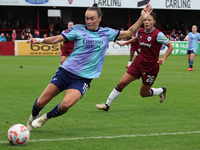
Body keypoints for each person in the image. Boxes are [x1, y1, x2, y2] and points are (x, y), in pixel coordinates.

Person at [26, 3, 152, 131]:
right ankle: (33, 116)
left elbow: (129, 32)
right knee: (40, 102)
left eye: (92, 18)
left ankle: (44, 118)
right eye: (87, 18)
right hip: (65, 72)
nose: (89, 21)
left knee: (65, 105)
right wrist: (40, 40)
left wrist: (142, 18)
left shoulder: (106, 33)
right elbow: (58, 38)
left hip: (83, 79)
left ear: (99, 19)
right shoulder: (77, 29)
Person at [96, 12, 174, 111]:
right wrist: (124, 43)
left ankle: (161, 90)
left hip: (151, 68)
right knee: (122, 82)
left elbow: (171, 47)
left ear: (154, 21)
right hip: (138, 64)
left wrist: (163, 58)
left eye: (149, 20)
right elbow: (136, 40)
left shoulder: (158, 34)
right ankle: (107, 105)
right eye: (145, 20)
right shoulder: (140, 31)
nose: (146, 22)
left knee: (143, 94)